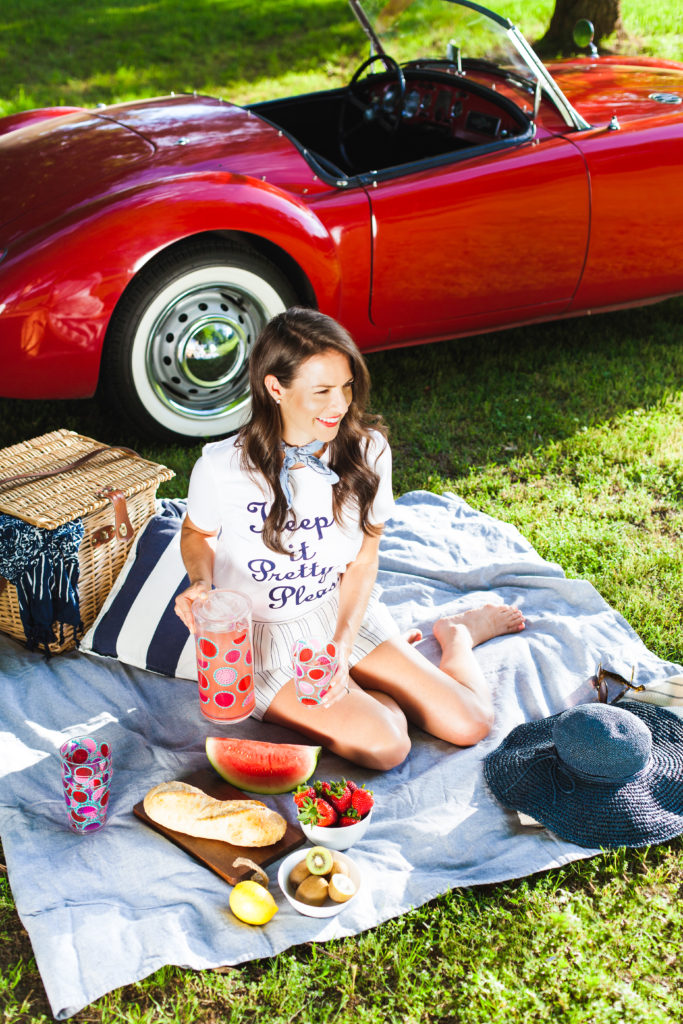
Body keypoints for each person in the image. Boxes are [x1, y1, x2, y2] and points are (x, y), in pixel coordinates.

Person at [174, 308, 524, 770]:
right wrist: (201, 582)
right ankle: (376, 697)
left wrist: (340, 646)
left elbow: (364, 559)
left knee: (471, 723)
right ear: (275, 388)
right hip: (262, 642)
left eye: (346, 386)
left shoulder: (369, 451)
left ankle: (456, 636)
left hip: (339, 614)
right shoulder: (221, 467)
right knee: (387, 746)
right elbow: (196, 531)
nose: (339, 404)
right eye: (321, 391)